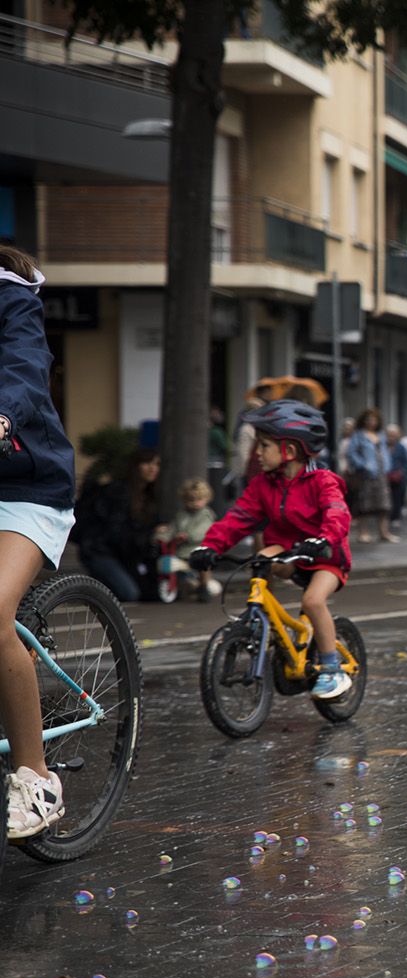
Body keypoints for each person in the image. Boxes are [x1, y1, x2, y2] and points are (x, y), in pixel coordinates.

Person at [190, 400, 355, 700]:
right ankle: (262, 621)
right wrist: (209, 546)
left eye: (264, 446)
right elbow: (239, 518)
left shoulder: (322, 481)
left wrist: (324, 539)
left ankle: (332, 669)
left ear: (289, 451)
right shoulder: (263, 485)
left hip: (324, 556)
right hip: (289, 551)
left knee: (314, 600)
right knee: (260, 560)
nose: (257, 453)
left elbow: (337, 512)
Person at [1, 246, 77, 839]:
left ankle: (36, 776)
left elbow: (23, 371)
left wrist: (2, 416)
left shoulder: (12, 299)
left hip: (27, 490)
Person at [74, 448, 162, 602]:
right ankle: (91, 588)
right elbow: (116, 531)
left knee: (148, 592)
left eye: (156, 464)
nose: (152, 468)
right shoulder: (118, 491)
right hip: (99, 551)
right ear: (135, 466)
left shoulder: (148, 496)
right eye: (147, 463)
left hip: (123, 554)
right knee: (129, 593)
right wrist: (148, 535)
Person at [167, 477, 222, 601]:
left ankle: (204, 586)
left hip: (198, 548)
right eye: (190, 499)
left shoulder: (206, 514)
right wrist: (164, 535)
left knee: (203, 563)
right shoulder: (181, 515)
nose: (195, 503)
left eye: (199, 499)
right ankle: (185, 587)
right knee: (173, 567)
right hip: (181, 551)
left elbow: (204, 530)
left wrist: (188, 535)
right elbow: (173, 528)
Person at [344, 409, 393, 543]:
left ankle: (384, 532)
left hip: (381, 473)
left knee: (384, 504)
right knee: (364, 504)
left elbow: (385, 452)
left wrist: (388, 466)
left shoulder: (381, 435)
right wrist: (363, 465)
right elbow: (351, 453)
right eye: (369, 419)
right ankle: (363, 533)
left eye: (374, 419)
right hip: (366, 474)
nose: (372, 422)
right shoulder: (358, 435)